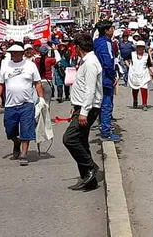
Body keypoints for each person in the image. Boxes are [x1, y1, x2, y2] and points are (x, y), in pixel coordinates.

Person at [0, 43, 45, 166]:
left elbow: (37, 82)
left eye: (17, 52)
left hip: (27, 104)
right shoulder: (6, 66)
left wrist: (41, 98)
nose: (14, 55)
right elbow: (0, 84)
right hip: (10, 104)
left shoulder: (30, 65)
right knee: (10, 130)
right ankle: (16, 142)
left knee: (26, 129)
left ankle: (23, 153)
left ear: (22, 53)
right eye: (12, 53)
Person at [63, 33, 103, 191]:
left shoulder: (91, 63)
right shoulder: (85, 61)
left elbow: (90, 89)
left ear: (78, 47)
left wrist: (84, 112)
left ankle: (90, 168)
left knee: (70, 139)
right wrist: (77, 106)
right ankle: (87, 177)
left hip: (89, 107)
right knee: (82, 140)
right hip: (81, 106)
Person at [94, 20, 120, 141]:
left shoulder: (97, 42)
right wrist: (113, 76)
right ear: (106, 30)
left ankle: (103, 127)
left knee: (101, 104)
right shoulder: (106, 43)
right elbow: (108, 62)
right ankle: (106, 131)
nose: (113, 30)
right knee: (107, 105)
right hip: (105, 78)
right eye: (111, 28)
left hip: (98, 77)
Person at [127, 41, 153, 111]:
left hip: (144, 74)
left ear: (144, 48)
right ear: (136, 48)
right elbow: (125, 59)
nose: (140, 48)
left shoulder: (146, 55)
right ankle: (135, 100)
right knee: (135, 89)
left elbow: (149, 65)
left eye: (142, 47)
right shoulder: (132, 54)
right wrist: (130, 67)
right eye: (139, 47)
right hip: (135, 74)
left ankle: (144, 104)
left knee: (144, 88)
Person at [34, 45, 56, 110]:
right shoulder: (50, 60)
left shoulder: (37, 60)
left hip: (39, 82)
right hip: (47, 81)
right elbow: (55, 60)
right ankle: (46, 119)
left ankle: (40, 118)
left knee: (40, 102)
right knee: (47, 102)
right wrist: (53, 51)